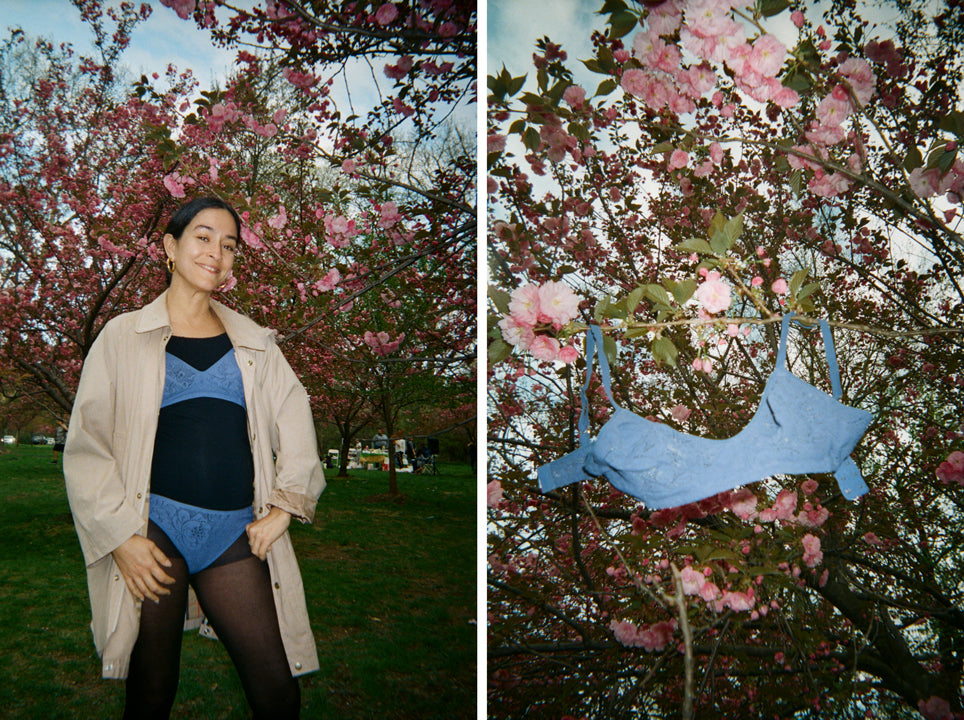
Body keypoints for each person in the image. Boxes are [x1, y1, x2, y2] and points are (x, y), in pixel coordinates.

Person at [63, 197, 326, 720]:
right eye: (203, 237)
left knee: (278, 693)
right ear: (169, 247)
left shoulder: (254, 342)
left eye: (228, 245)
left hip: (233, 535)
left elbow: (295, 416)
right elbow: (88, 446)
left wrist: (286, 505)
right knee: (152, 692)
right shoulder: (123, 336)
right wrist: (118, 537)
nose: (217, 253)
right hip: (153, 532)